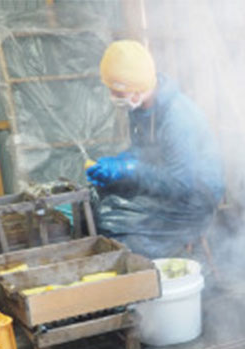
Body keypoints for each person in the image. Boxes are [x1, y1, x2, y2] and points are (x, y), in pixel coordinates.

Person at [86, 40, 224, 259]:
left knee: (112, 224)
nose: (113, 98)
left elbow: (180, 184)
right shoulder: (140, 107)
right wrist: (122, 162)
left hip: (195, 199)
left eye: (117, 93)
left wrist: (131, 169)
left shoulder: (177, 118)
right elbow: (145, 150)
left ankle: (156, 271)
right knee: (98, 199)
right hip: (164, 182)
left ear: (135, 90)